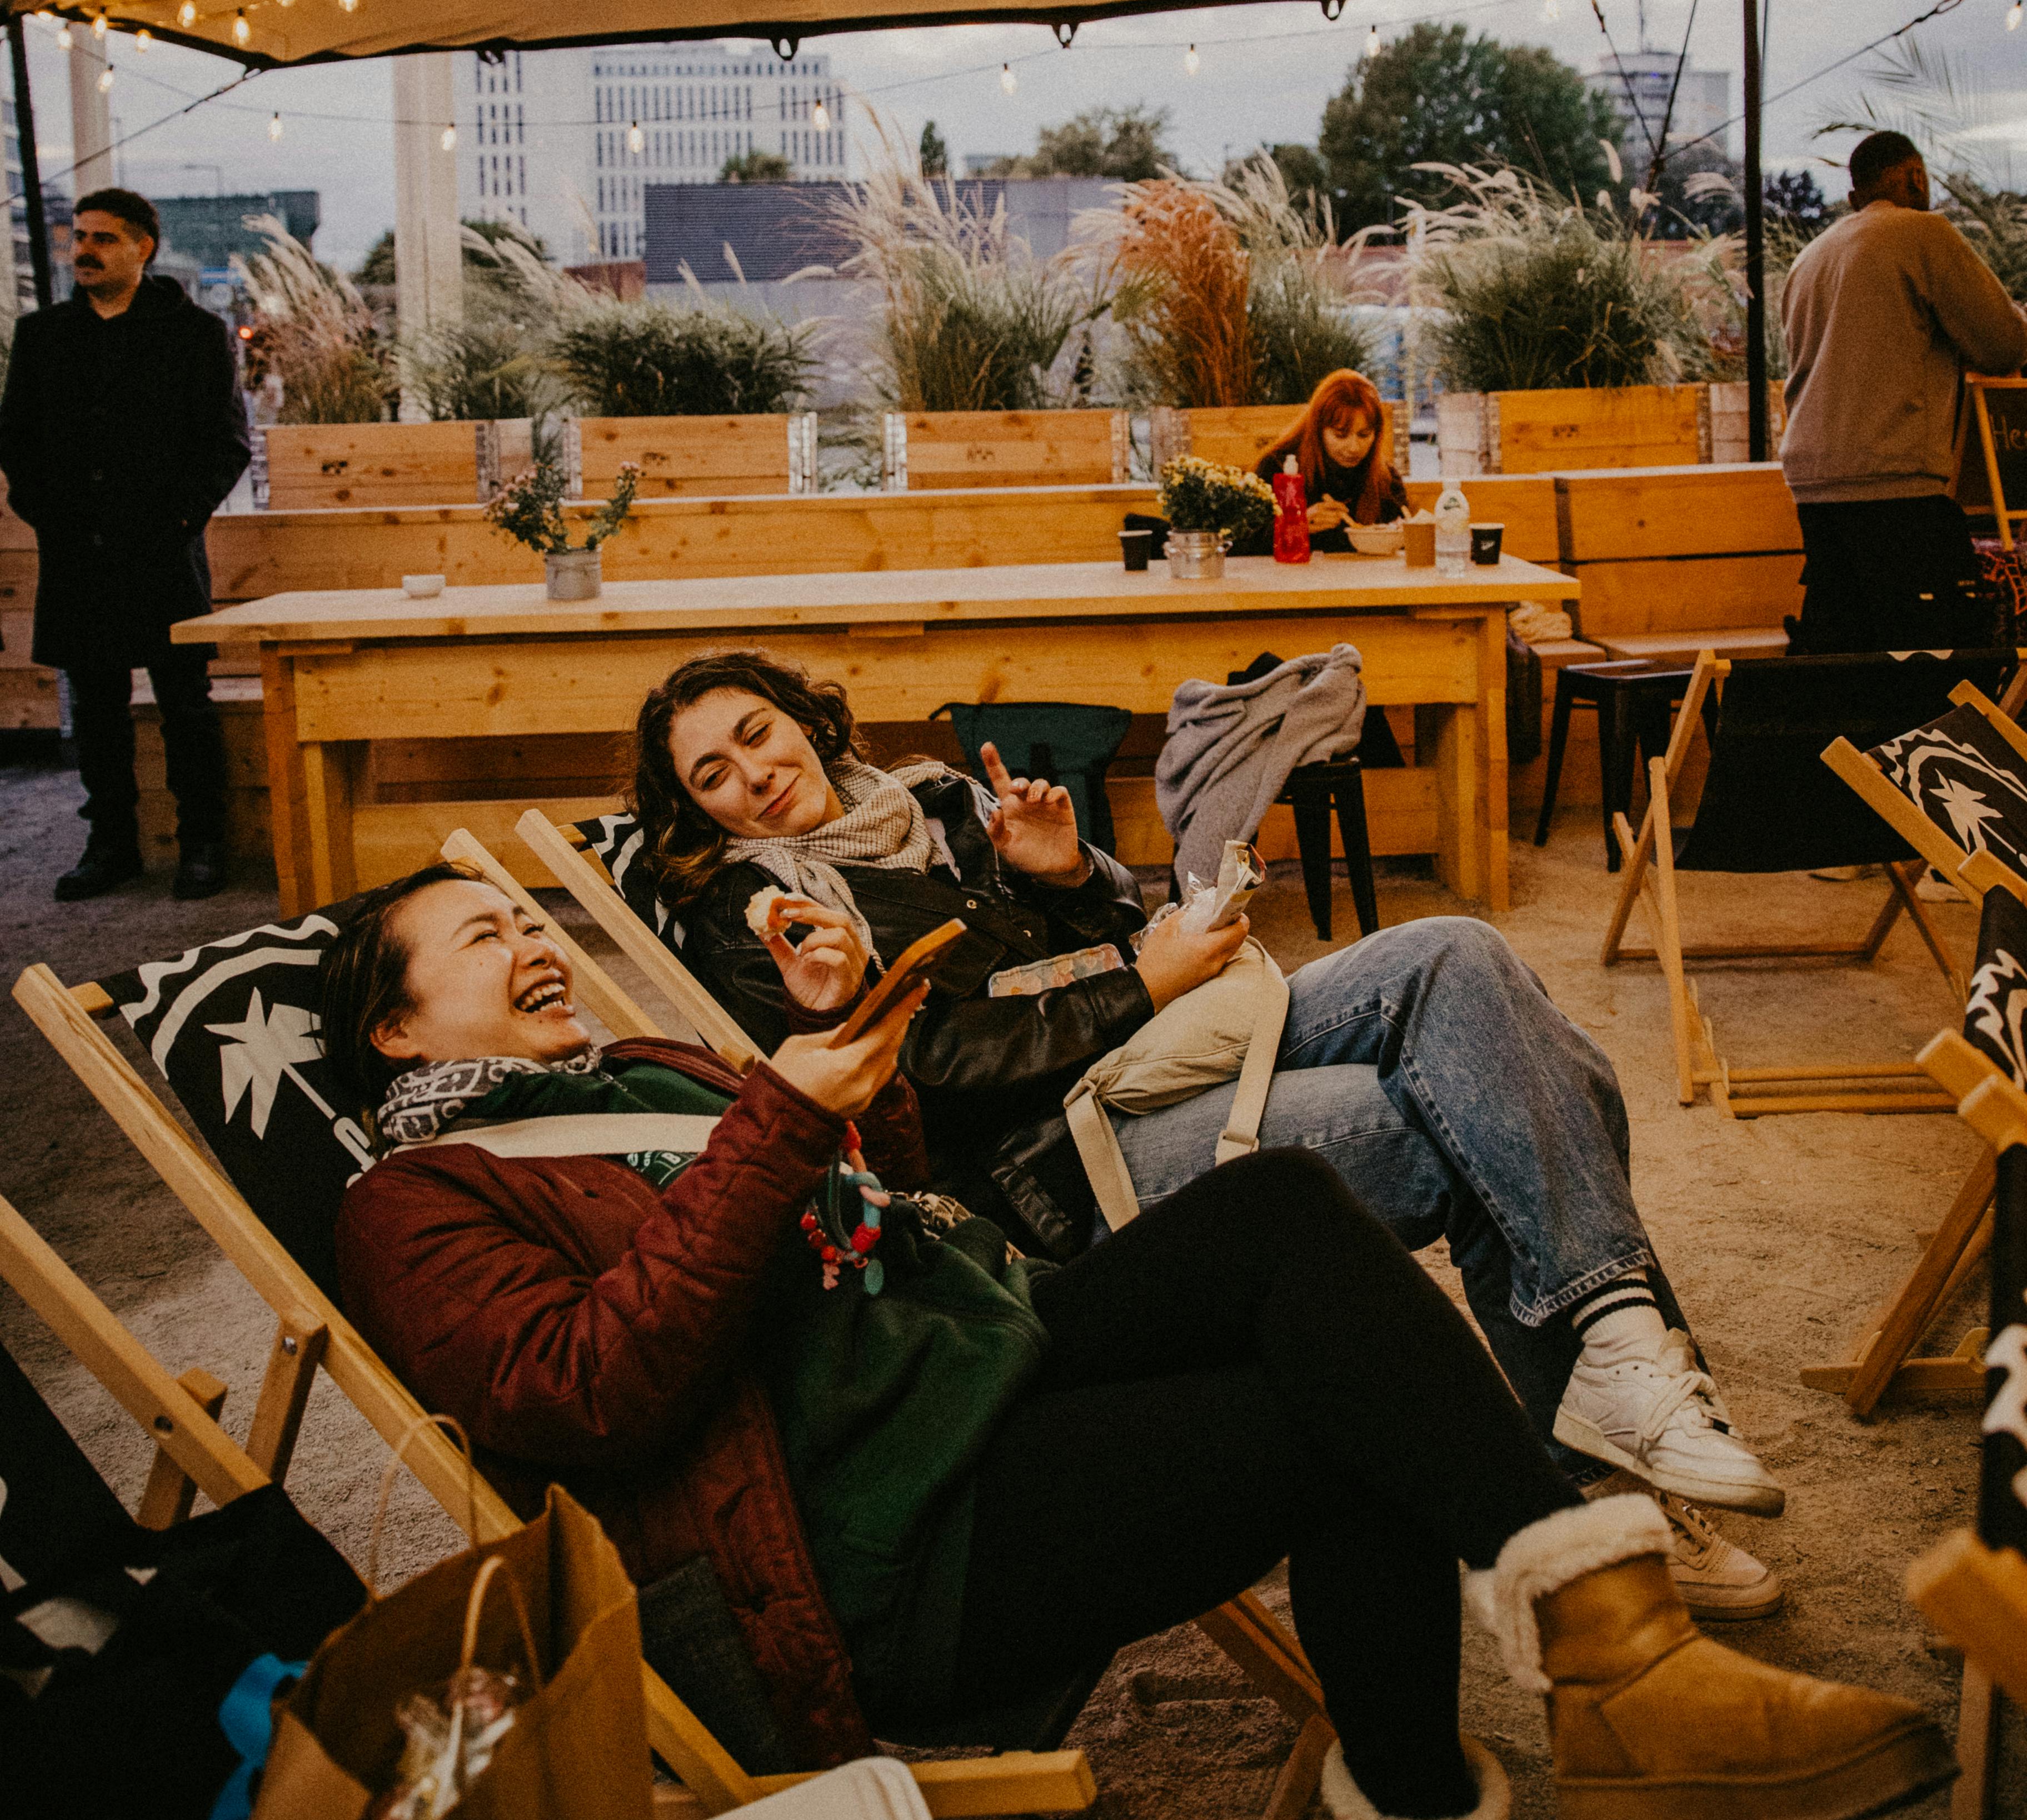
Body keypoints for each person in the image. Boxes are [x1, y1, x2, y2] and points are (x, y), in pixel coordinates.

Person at [328, 862, 1949, 1820]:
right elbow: (578, 1390)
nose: (533, 940)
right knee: (1341, 1430)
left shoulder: (639, 1078)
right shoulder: (412, 1204)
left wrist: (838, 1060)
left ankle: (1613, 1641)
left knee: (1288, 1213)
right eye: (481, 935)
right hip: (868, 1543)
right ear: (398, 1025)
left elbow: (875, 1210)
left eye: (530, 917)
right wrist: (768, 1128)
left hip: (969, 1365)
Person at [623, 651, 1790, 1618]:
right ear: (696, 808)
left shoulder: (927, 800)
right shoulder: (754, 909)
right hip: (1055, 1166)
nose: (754, 778)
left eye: (758, 733)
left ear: (806, 722)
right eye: (712, 775)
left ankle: (1616, 1345)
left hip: (1159, 1051)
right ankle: (1592, 1478)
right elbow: (930, 1069)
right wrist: (1137, 980)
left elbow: (1077, 943)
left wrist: (1071, 870)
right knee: (1486, 1115)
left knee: (1462, 959)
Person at [0, 187, 249, 901]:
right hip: (76, 551)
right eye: (78, 236)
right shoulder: (44, 335)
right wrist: (44, 510)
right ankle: (110, 844)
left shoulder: (196, 334)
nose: (84, 249)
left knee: (187, 706)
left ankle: (203, 842)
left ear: (143, 246)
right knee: (98, 710)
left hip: (163, 550)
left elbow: (227, 442)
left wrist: (179, 517)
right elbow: (15, 437)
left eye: (103, 238)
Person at [1781, 131, 2027, 654]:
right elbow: (2003, 344)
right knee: (1939, 655)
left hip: (1814, 489)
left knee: (1848, 659)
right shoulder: (1922, 234)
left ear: (1854, 198)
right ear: (1916, 177)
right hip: (1895, 483)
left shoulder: (1811, 257)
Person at [1251, 367, 1409, 552]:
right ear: (1318, 430)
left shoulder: (1386, 480)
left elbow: (1403, 543)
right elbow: (1240, 544)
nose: (1354, 448)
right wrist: (1293, 526)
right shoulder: (1278, 468)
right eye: (1340, 435)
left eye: (1364, 435)